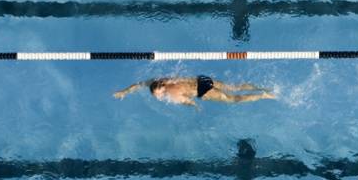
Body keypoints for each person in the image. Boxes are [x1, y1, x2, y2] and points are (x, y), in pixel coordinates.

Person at [114, 75, 274, 107]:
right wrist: (124, 91)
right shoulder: (161, 79)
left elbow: (187, 101)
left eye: (159, 94)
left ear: (161, 88)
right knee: (234, 87)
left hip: (203, 91)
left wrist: (195, 105)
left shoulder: (172, 93)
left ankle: (264, 95)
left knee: (233, 99)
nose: (160, 96)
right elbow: (139, 84)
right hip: (202, 79)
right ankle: (263, 87)